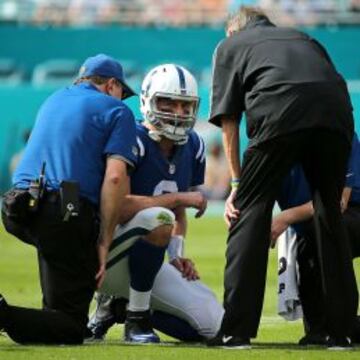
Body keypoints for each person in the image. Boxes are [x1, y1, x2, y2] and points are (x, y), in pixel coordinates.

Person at [207, 6, 357, 349]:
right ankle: (341, 332)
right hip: (337, 117)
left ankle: (236, 331)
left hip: (280, 113)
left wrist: (235, 185)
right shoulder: (306, 39)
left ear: (233, 30)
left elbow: (228, 120)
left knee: (251, 209)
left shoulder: (230, 45)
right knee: (329, 216)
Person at [0, 54, 140, 345]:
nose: (122, 99)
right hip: (64, 208)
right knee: (70, 327)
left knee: (54, 309)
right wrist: (103, 241)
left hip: (15, 206)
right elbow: (115, 178)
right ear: (111, 84)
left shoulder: (54, 98)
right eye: (122, 92)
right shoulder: (117, 110)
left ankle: (39, 316)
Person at [87, 64, 224, 343]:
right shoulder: (131, 137)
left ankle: (120, 307)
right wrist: (177, 199)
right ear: (148, 100)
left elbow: (179, 215)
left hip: (144, 262)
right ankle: (137, 318)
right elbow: (117, 206)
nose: (178, 112)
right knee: (160, 217)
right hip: (105, 256)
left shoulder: (194, 145)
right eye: (168, 102)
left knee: (216, 327)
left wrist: (176, 255)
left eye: (185, 105)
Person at [272, 132, 360, 345]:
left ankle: (338, 325)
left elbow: (338, 202)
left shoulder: (341, 132)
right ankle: (320, 328)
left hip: (352, 211)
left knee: (318, 234)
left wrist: (286, 217)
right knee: (309, 238)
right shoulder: (272, 143)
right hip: (312, 221)